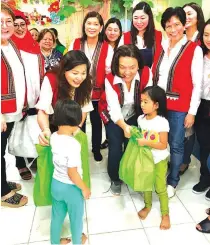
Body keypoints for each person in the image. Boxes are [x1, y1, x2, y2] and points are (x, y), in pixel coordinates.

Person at [152, 7, 203, 198]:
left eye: (177, 25)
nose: (173, 29)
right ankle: (161, 171)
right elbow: (155, 74)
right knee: (159, 142)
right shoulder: (162, 46)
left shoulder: (193, 49)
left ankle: (172, 180)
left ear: (184, 25)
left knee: (176, 144)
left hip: (179, 108)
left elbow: (197, 84)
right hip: (159, 105)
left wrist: (192, 112)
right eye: (168, 26)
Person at [99, 44, 153, 195]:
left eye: (132, 67)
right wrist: (124, 127)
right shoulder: (110, 79)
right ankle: (115, 178)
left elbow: (148, 100)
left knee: (134, 145)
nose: (127, 72)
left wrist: (145, 123)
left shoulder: (146, 74)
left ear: (139, 65)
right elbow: (114, 110)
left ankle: (131, 174)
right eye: (122, 67)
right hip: (113, 115)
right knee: (116, 146)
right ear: (116, 65)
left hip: (135, 113)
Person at [69, 11, 113, 161]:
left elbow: (109, 71)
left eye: (96, 24)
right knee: (78, 121)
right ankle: (79, 148)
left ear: (101, 28)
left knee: (96, 121)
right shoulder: (75, 43)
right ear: (84, 25)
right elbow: (68, 65)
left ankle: (95, 148)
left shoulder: (107, 47)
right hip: (77, 91)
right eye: (89, 23)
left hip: (97, 92)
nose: (92, 27)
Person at [50, 99, 91, 245]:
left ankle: (54, 242)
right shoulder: (73, 144)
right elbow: (72, 173)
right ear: (75, 122)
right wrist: (84, 188)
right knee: (76, 218)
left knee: (56, 217)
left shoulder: (53, 137)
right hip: (71, 188)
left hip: (56, 184)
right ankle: (77, 241)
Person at [11, 9, 44, 179]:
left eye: (22, 24)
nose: (19, 28)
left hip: (35, 97)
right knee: (18, 131)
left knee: (35, 128)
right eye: (15, 25)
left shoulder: (34, 46)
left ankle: (34, 157)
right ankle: (20, 163)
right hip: (17, 99)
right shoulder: (9, 47)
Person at [1, 3, 28, 207]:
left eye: (8, 21)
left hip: (12, 110)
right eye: (0, 22)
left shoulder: (10, 44)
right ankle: (3, 193)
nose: (5, 25)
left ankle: (2, 183)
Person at [36, 50, 93, 146]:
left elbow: (84, 108)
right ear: (64, 70)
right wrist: (46, 129)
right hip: (54, 123)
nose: (80, 78)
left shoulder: (86, 82)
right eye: (75, 73)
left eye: (83, 73)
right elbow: (43, 109)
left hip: (75, 122)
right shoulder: (51, 79)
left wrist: (77, 127)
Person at [136, 86, 170, 230]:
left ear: (156, 105)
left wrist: (146, 142)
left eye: (146, 102)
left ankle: (165, 214)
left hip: (159, 160)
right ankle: (147, 206)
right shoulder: (140, 119)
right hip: (146, 158)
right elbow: (140, 137)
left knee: (160, 187)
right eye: (141, 101)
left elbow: (163, 145)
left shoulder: (162, 122)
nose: (142, 105)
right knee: (146, 184)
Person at [180, 2, 205, 175]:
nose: (186, 17)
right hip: (182, 92)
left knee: (194, 130)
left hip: (201, 92)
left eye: (190, 14)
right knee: (184, 129)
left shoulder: (202, 39)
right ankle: (182, 159)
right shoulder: (178, 38)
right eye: (184, 14)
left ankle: (186, 161)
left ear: (198, 18)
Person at [193, 19, 210, 199]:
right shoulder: (200, 56)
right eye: (206, 35)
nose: (209, 39)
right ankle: (205, 177)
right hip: (203, 105)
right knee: (204, 144)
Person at [118, 1, 162, 68]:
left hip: (151, 77)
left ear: (149, 18)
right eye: (135, 18)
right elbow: (118, 60)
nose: (139, 22)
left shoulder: (158, 36)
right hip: (130, 76)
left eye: (142, 18)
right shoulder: (125, 37)